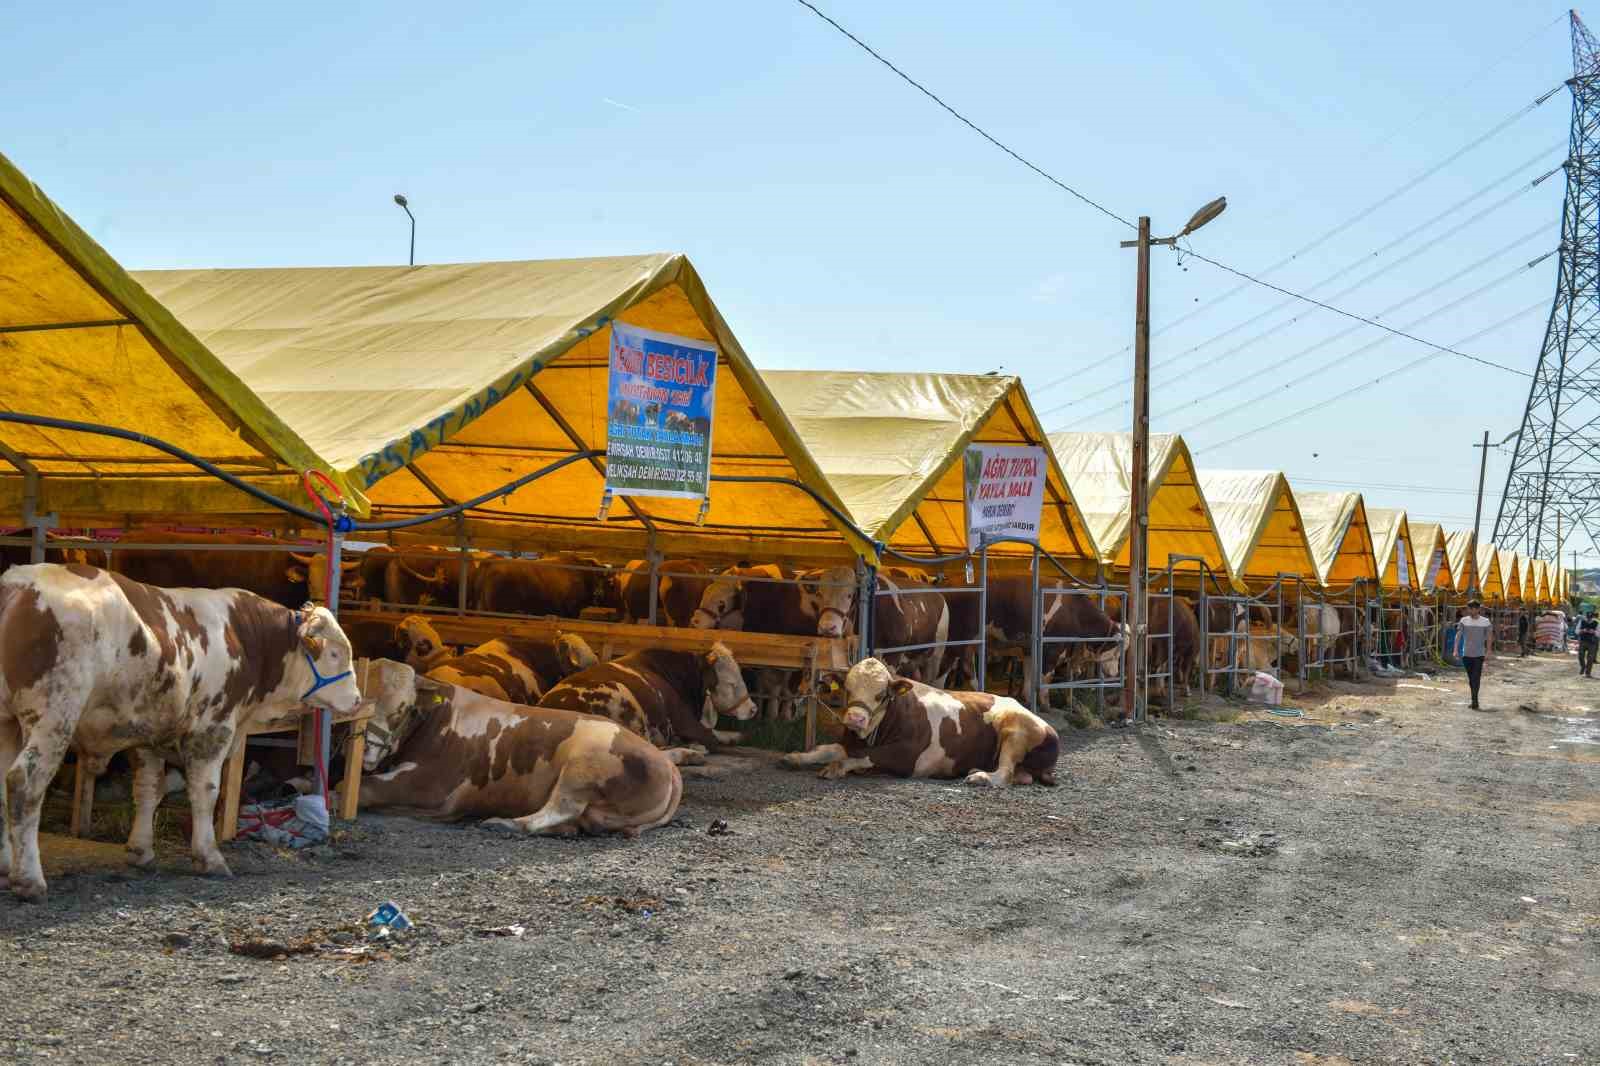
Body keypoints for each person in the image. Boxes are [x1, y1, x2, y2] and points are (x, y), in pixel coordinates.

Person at [1454, 599, 1494, 710]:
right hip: (1466, 654)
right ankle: (1474, 699)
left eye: (1472, 609)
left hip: (1479, 654)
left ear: (1478, 609)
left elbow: (1489, 637)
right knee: (1471, 678)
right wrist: (1455, 649)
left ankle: (1474, 700)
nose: (1470, 611)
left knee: (1476, 677)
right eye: (1469, 609)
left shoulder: (1485, 621)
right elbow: (1458, 635)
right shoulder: (1464, 620)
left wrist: (1489, 650)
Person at [1578, 609, 1599, 677]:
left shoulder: (1596, 623)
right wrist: (1582, 630)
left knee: (1590, 658)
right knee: (1580, 656)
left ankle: (1588, 673)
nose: (1589, 619)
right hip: (1583, 640)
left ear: (1592, 617)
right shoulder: (1582, 621)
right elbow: (1576, 631)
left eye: (1590, 618)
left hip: (1592, 642)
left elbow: (1599, 633)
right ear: (1586, 616)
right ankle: (1583, 666)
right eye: (1588, 618)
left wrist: (1594, 632)